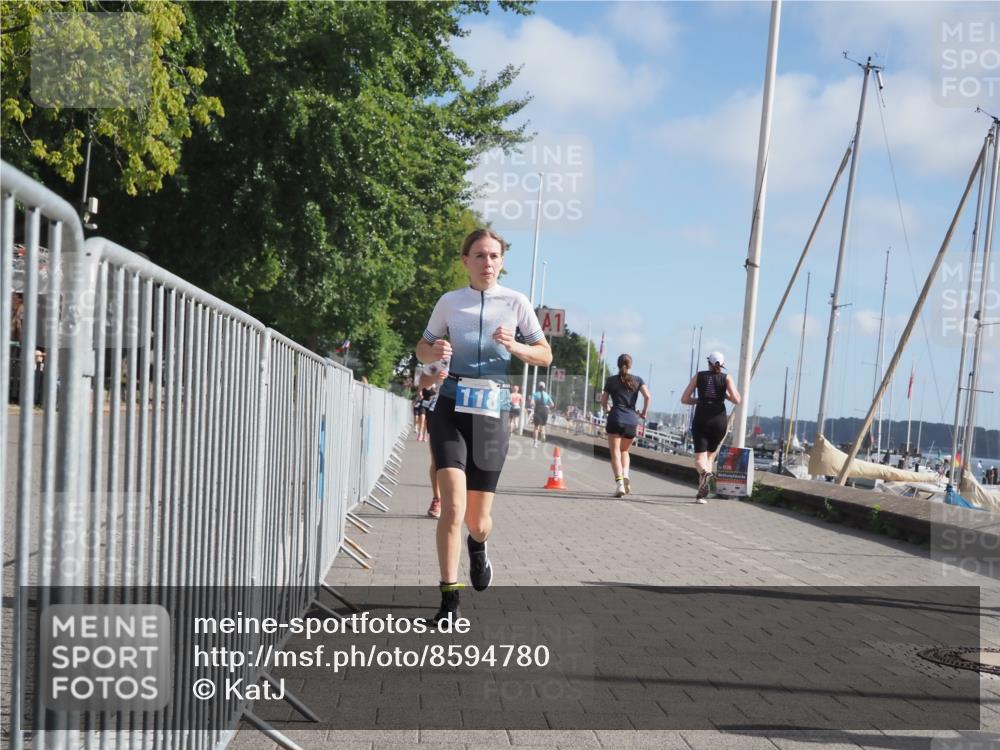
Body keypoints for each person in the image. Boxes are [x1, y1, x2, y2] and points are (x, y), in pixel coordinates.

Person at [416, 228, 551, 624]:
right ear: (466, 261)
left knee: (477, 521)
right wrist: (433, 351)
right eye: (479, 255)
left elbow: (545, 355)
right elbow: (421, 348)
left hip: (492, 412)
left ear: (501, 262)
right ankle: (449, 601)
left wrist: (515, 346)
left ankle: (478, 545)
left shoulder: (515, 302)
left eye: (494, 256)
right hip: (451, 408)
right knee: (453, 507)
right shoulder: (449, 302)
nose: (487, 263)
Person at [680, 351, 741, 503]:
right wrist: (725, 396)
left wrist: (699, 400)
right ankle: (701, 494)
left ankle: (704, 473)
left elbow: (685, 399)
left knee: (699, 459)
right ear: (723, 365)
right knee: (710, 457)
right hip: (719, 419)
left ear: (708, 363)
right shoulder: (726, 378)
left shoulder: (699, 376)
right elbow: (737, 399)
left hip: (702, 416)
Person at [600, 354, 651, 497]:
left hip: (615, 417)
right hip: (631, 420)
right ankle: (626, 474)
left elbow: (603, 401)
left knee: (615, 452)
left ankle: (620, 484)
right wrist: (644, 412)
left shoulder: (611, 380)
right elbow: (647, 396)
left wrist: (607, 409)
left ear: (618, 365)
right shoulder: (638, 380)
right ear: (631, 365)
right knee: (624, 451)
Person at [417, 360, 449, 518]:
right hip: (439, 408)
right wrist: (436, 377)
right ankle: (438, 499)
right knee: (437, 459)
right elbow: (424, 381)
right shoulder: (444, 355)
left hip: (471, 411)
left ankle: (459, 500)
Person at [531, 382, 554, 447]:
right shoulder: (547, 394)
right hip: (545, 410)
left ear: (538, 387)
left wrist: (535, 405)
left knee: (536, 427)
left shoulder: (535, 394)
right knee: (543, 426)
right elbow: (552, 404)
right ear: (544, 387)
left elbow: (532, 403)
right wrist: (547, 406)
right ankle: (543, 433)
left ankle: (535, 443)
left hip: (538, 410)